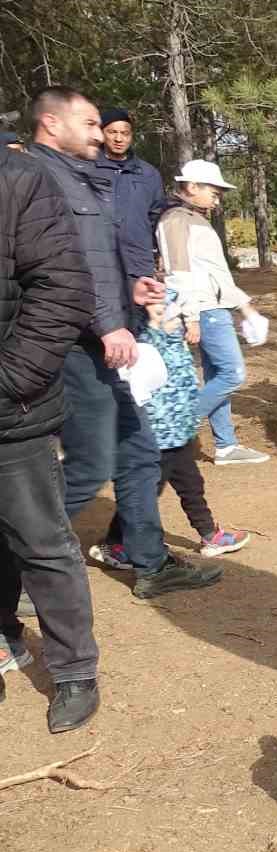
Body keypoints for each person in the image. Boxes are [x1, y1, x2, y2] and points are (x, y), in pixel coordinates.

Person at [23, 86, 222, 603]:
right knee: (88, 463)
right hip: (70, 344)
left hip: (108, 334)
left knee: (138, 449)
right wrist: (106, 323)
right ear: (50, 123)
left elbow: (99, 255)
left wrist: (132, 289)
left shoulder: (80, 179)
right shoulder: (40, 179)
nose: (101, 134)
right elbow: (62, 271)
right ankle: (18, 574)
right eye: (89, 124)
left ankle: (151, 563)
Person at [0, 146, 102, 732]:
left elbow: (63, 287)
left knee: (41, 543)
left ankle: (73, 670)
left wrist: (10, 378)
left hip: (11, 411)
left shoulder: (17, 179)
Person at [94, 296, 252, 561]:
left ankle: (209, 533)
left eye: (173, 313)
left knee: (191, 484)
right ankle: (115, 543)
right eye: (162, 312)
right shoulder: (142, 343)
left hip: (178, 427)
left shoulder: (172, 337)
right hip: (157, 430)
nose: (171, 317)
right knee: (146, 489)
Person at [159, 160, 270, 467]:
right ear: (191, 187)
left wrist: (247, 310)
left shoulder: (197, 220)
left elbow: (218, 276)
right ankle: (176, 426)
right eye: (214, 190)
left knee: (216, 375)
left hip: (214, 308)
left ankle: (225, 446)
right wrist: (191, 316)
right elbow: (177, 272)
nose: (218, 197)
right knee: (233, 374)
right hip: (204, 311)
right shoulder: (175, 220)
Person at [98, 108, 164, 291]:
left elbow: (157, 218)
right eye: (112, 132)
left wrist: (157, 253)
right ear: (102, 133)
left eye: (125, 133)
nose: (119, 139)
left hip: (138, 264)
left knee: (139, 317)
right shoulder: (88, 169)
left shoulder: (148, 174)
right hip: (99, 264)